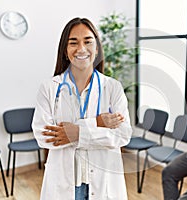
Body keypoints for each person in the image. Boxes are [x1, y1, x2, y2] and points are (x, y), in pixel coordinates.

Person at [32, 17, 132, 200]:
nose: (81, 49)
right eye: (73, 43)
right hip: (64, 183)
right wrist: (98, 123)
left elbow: (123, 135)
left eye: (88, 41)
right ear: (65, 50)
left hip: (103, 182)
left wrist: (77, 132)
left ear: (97, 48)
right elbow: (44, 136)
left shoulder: (113, 87)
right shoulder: (49, 88)